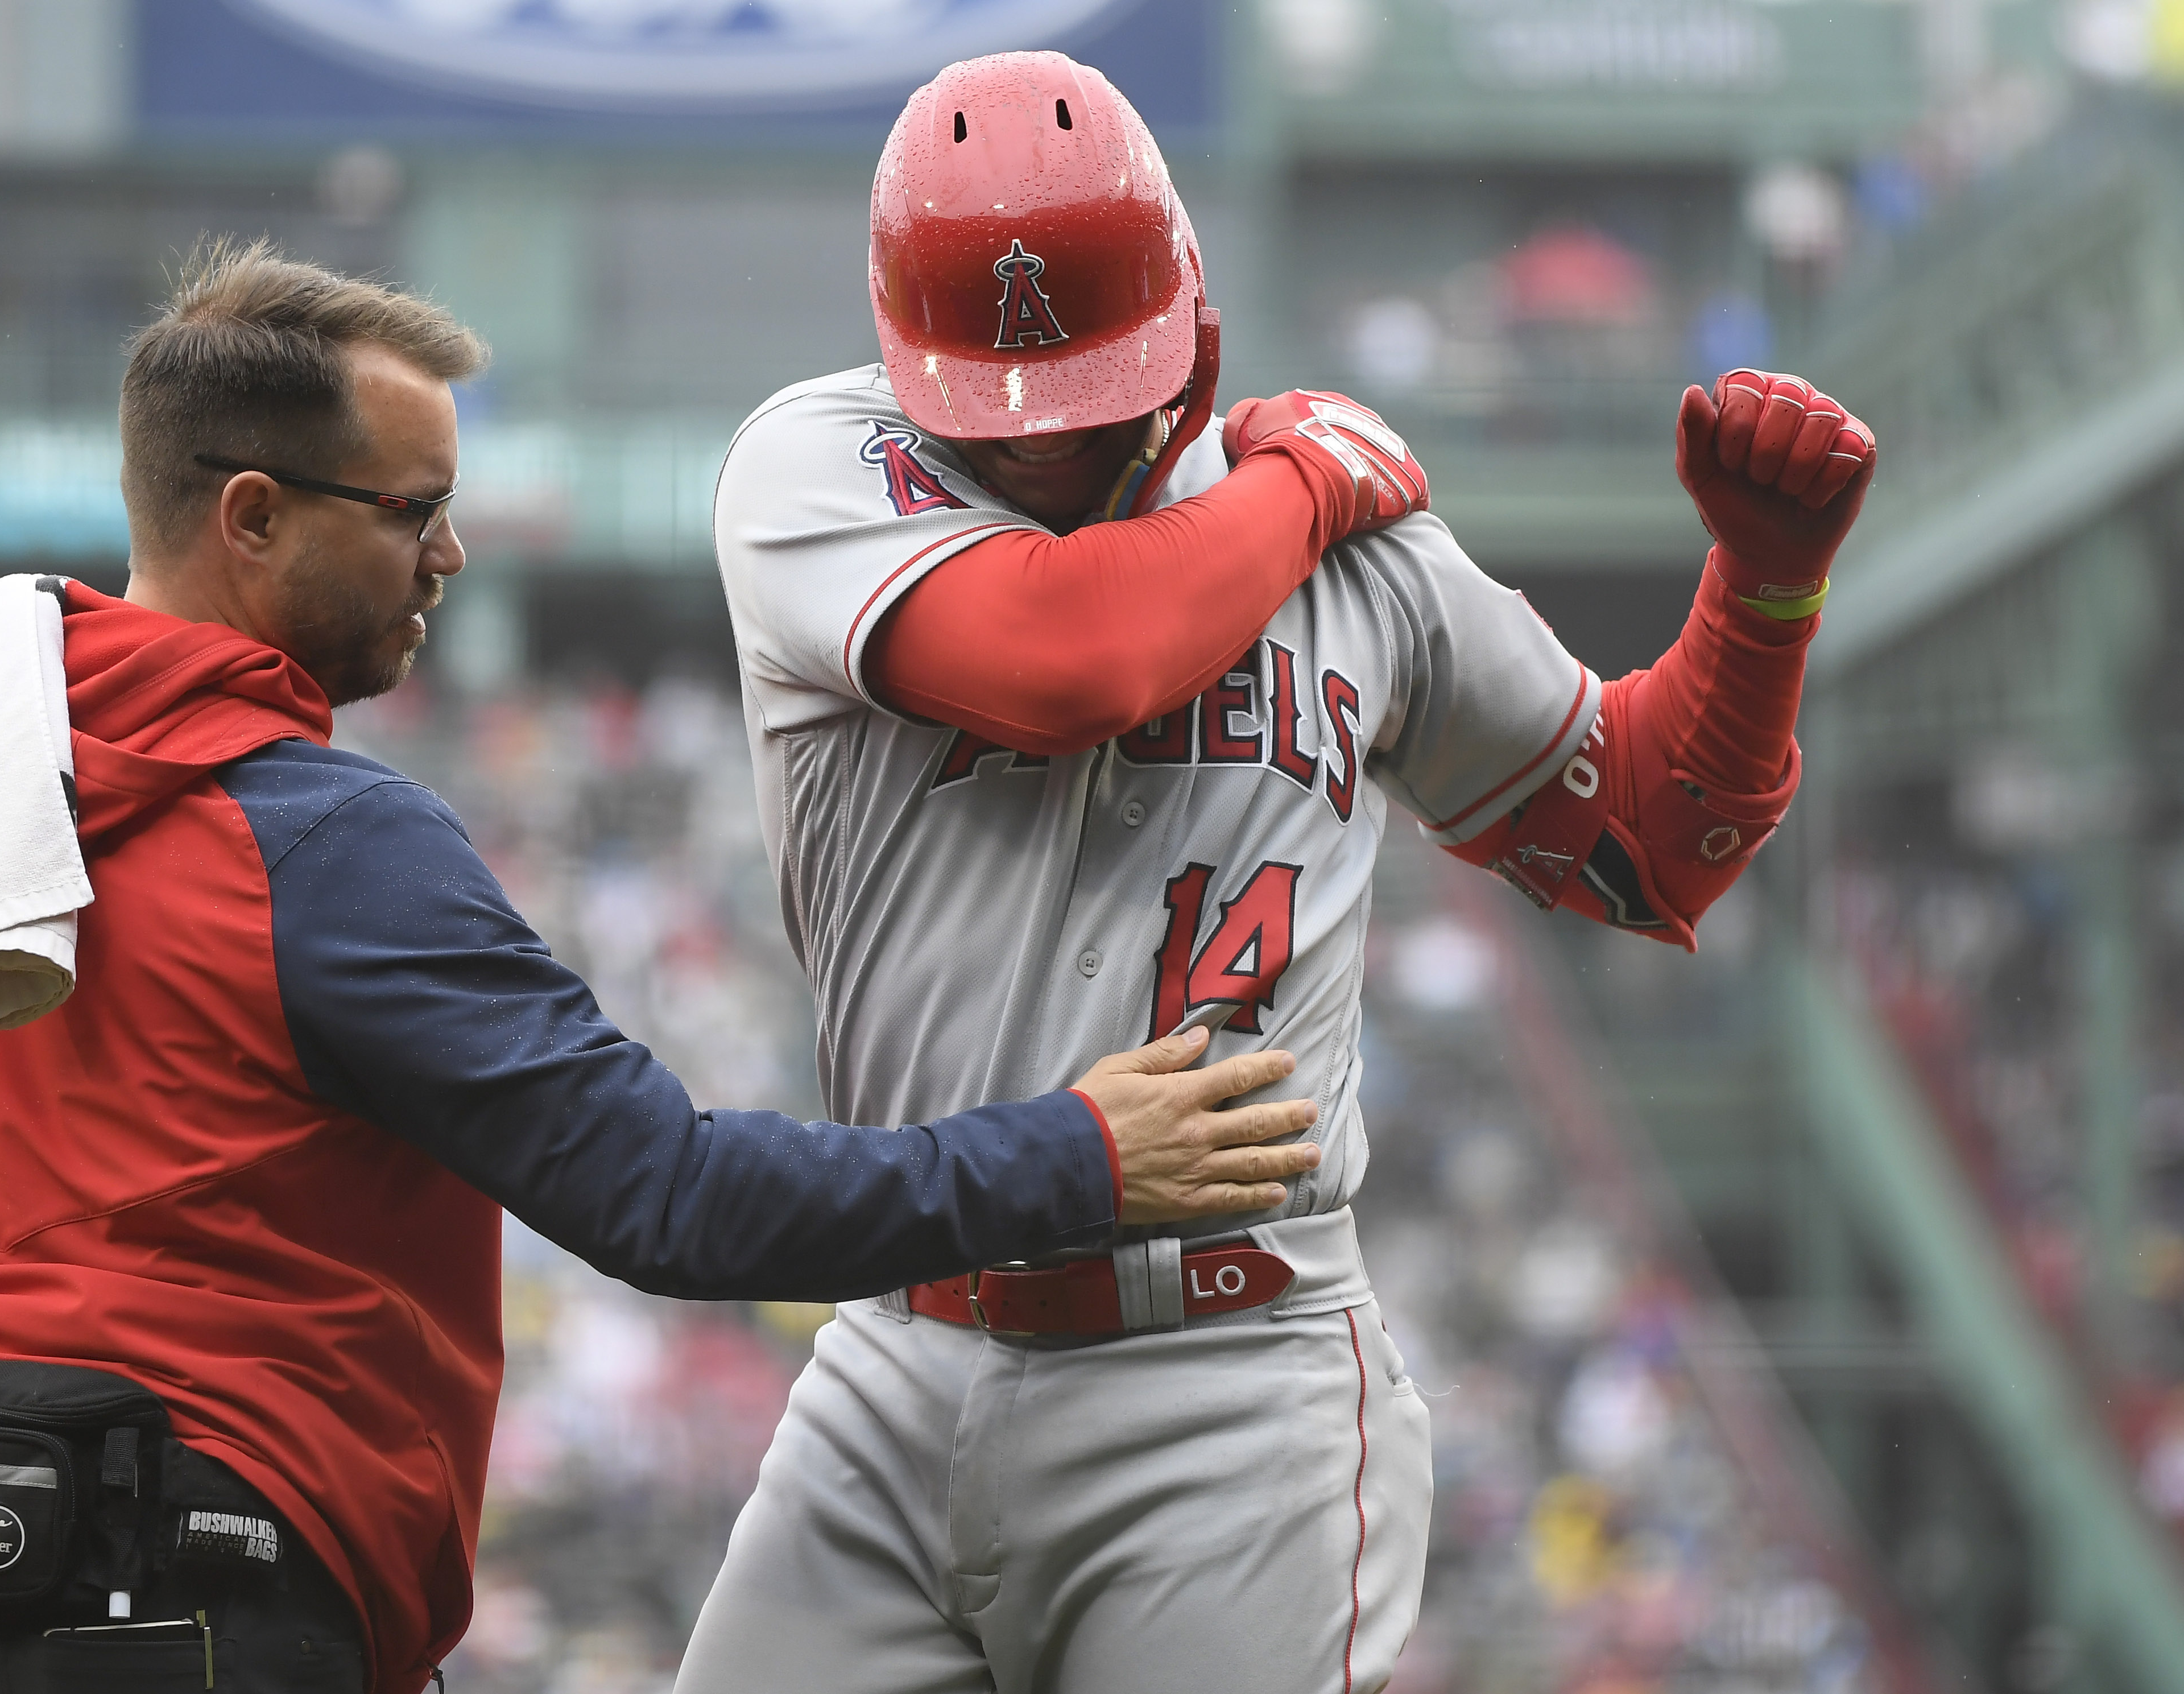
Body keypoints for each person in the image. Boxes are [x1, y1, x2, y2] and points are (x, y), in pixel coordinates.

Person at [0, 240, 1322, 1694]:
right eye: (409, 508)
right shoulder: (319, 844)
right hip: (205, 1580)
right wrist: (1080, 1156)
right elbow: (671, 1199)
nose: (449, 552)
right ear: (250, 515)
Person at [682, 51, 1875, 1694]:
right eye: (990, 406)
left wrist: (1762, 593)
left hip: (1226, 1382)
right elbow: (1075, 655)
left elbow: (1650, 846)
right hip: (897, 1344)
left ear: (1190, 320)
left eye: (1083, 394)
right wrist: (1309, 481)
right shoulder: (820, 463)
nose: (1033, 447)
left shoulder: (1371, 573)